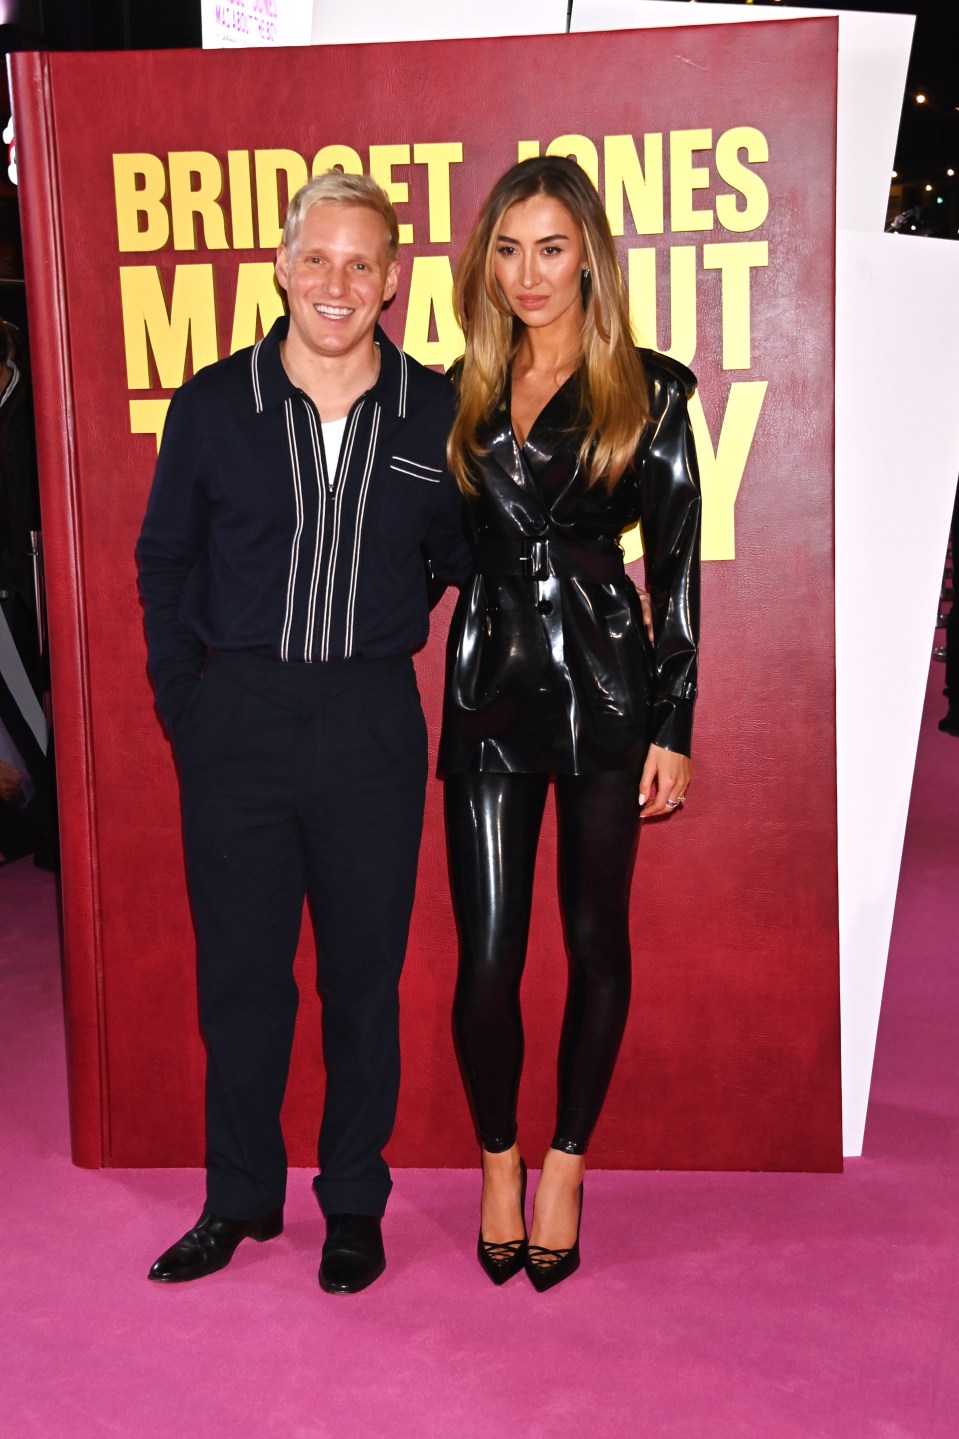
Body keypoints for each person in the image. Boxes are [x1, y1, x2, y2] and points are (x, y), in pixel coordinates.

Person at [137, 172, 469, 1294]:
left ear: (391, 278)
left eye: (360, 261)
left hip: (370, 724)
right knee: (240, 976)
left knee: (361, 979)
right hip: (234, 723)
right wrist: (189, 702)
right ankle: (237, 1197)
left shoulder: (432, 411)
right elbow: (164, 560)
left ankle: (351, 1204)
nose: (337, 282)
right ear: (279, 266)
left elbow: (450, 561)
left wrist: (371, 639)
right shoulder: (212, 403)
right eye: (316, 258)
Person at [440, 156, 701, 1290]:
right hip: (488, 694)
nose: (526, 273)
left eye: (548, 248)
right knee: (487, 960)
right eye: (506, 249)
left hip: (607, 699)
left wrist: (674, 721)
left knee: (597, 941)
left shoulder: (652, 391)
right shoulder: (461, 389)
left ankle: (563, 1162)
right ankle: (496, 1155)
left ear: (587, 254)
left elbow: (680, 578)